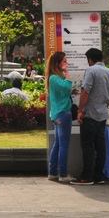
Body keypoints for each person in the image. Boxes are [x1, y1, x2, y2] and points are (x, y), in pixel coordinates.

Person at [72, 47, 109, 186]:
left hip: (90, 114)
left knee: (88, 146)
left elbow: (85, 92)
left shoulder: (91, 70)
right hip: (103, 114)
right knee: (100, 146)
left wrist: (80, 110)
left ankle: (87, 176)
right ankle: (99, 175)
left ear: (90, 59)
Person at [46, 51, 72, 183]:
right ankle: (62, 173)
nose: (66, 63)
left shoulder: (54, 78)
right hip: (63, 114)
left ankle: (53, 172)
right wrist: (68, 77)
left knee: (57, 144)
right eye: (64, 61)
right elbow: (66, 87)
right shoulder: (55, 78)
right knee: (63, 145)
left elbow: (64, 92)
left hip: (57, 114)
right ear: (57, 63)